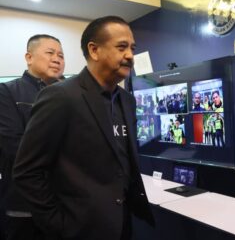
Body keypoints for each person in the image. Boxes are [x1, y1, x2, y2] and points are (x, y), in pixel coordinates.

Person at [12, 16, 154, 240]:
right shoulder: (60, 97)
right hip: (77, 229)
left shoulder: (127, 100)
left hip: (122, 224)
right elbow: (27, 172)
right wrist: (59, 225)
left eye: (132, 48)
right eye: (121, 47)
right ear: (94, 50)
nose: (129, 55)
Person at [0, 34, 65, 240]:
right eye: (50, 53)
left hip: (66, 203)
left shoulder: (71, 95)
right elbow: (15, 147)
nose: (57, 59)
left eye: (61, 55)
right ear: (29, 57)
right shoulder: (7, 92)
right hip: (24, 205)